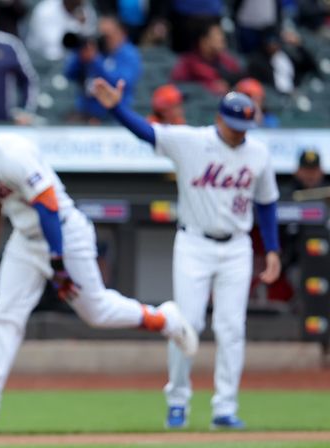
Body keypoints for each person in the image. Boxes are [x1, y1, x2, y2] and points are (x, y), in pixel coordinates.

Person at [0, 122, 198, 427]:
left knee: (96, 312)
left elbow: (48, 205)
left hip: (64, 233)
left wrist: (58, 262)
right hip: (26, 239)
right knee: (6, 314)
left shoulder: (12, 154)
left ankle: (165, 319)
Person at [91, 78, 282, 430]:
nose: (241, 133)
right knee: (186, 324)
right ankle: (177, 401)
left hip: (237, 245)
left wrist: (272, 249)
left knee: (231, 329)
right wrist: (116, 108)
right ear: (220, 119)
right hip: (194, 243)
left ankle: (225, 408)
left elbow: (267, 203)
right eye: (235, 125)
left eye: (245, 126)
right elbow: (147, 133)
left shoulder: (258, 153)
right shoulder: (192, 141)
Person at [64, 14, 141, 123]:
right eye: (100, 34)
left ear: (120, 33)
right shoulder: (95, 50)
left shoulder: (129, 54)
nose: (103, 39)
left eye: (107, 35)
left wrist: (95, 60)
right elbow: (69, 74)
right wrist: (80, 57)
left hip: (114, 117)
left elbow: (121, 82)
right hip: (86, 115)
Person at [170, 21, 243, 96]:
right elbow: (177, 87)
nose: (222, 38)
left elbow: (240, 77)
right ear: (203, 41)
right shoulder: (188, 62)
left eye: (221, 34)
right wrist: (209, 87)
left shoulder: (226, 60)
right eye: (217, 35)